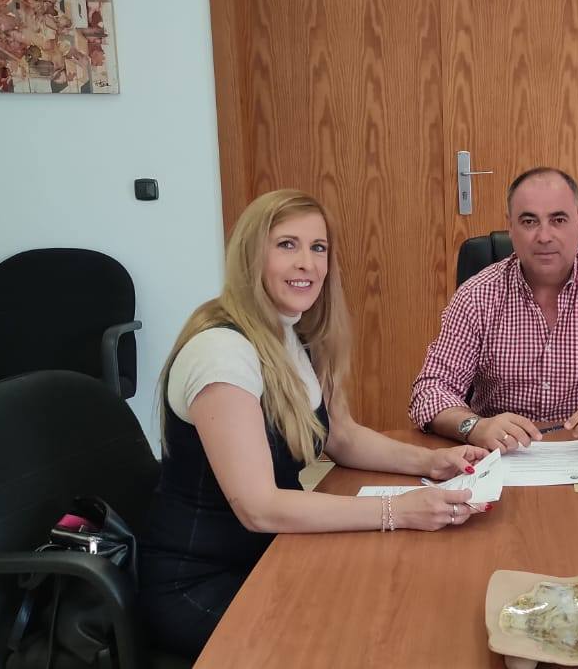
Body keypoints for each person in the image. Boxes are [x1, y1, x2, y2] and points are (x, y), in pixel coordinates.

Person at [139, 189, 489, 660]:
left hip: (269, 554)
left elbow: (341, 437)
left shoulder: (294, 332)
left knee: (401, 604)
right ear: (250, 255)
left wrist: (432, 462)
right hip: (203, 582)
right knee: (361, 641)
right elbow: (259, 509)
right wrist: (398, 511)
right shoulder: (221, 352)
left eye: (318, 247)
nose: (307, 263)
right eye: (287, 245)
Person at [409, 167, 578, 451]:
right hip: (501, 455)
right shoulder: (476, 296)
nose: (544, 236)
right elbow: (430, 391)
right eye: (529, 221)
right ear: (511, 227)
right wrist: (475, 427)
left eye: (558, 220)